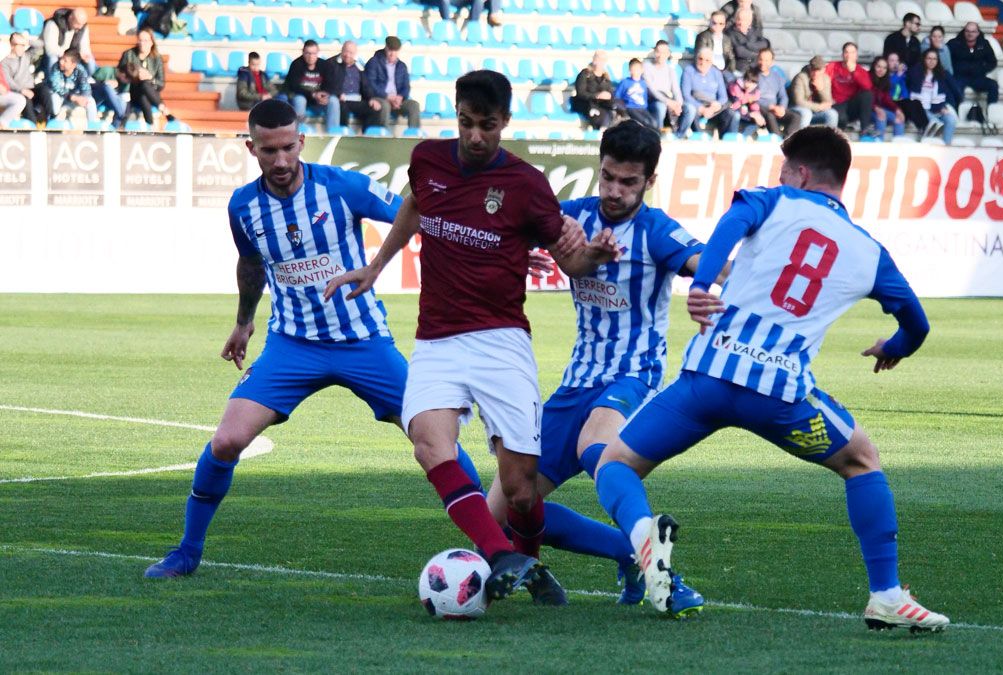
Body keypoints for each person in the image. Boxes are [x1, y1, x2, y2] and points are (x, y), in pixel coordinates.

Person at [591, 125, 951, 633]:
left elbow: (729, 224)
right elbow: (917, 323)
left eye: (784, 169)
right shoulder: (870, 252)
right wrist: (892, 348)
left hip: (707, 382)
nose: (779, 176)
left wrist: (704, 283)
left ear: (801, 173)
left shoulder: (771, 199)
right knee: (862, 461)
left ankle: (644, 533)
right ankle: (886, 594)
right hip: (780, 398)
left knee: (615, 465)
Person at [141, 99, 487, 585]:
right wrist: (244, 322)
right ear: (251, 149)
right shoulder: (243, 205)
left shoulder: (342, 187)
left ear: (301, 141)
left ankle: (489, 539)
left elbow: (418, 216)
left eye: (288, 148)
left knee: (435, 439)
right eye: (268, 151)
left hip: (363, 341)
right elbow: (252, 264)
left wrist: (484, 249)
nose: (280, 161)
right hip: (292, 346)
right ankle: (186, 551)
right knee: (227, 440)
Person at [323, 70, 621, 605]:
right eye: (466, 123)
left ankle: (527, 561)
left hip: (501, 340)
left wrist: (592, 256)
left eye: (487, 125)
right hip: (437, 340)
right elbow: (415, 203)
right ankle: (497, 550)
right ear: (455, 116)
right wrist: (376, 265)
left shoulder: (527, 185)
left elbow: (570, 259)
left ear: (505, 122)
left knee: (520, 488)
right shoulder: (428, 159)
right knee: (429, 444)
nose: (475, 136)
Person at [483, 120, 711, 616]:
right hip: (576, 381)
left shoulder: (656, 231)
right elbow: (506, 235)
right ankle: (629, 552)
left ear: (648, 181)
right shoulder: (572, 218)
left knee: (595, 444)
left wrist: (709, 286)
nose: (614, 190)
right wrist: (516, 255)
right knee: (501, 511)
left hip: (634, 375)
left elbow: (703, 259)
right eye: (607, 177)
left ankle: (661, 570)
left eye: (628, 182)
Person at [116, 28, 173, 127]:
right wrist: (135, 76)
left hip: (149, 94)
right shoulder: (128, 54)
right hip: (132, 91)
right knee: (143, 85)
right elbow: (120, 75)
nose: (142, 43)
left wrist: (150, 78)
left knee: (144, 89)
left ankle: (149, 124)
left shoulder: (157, 58)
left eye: (145, 41)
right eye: (140, 40)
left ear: (151, 42)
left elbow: (161, 84)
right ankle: (162, 109)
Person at [363, 37, 421, 131]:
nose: (392, 53)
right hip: (380, 97)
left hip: (397, 100)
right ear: (386, 48)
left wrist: (400, 97)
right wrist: (387, 96)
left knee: (414, 105)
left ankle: (414, 134)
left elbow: (406, 86)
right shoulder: (373, 63)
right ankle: (383, 135)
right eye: (390, 50)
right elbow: (370, 85)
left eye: (395, 51)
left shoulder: (401, 66)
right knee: (385, 106)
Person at [641, 40, 694, 137]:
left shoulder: (670, 69)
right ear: (654, 52)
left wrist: (678, 105)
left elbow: (676, 90)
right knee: (660, 107)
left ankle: (678, 136)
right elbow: (652, 91)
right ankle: (658, 136)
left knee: (690, 109)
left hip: (670, 100)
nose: (661, 55)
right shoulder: (647, 67)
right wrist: (668, 102)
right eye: (658, 51)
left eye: (664, 52)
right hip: (654, 100)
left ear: (668, 54)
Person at [947, 22, 998, 123]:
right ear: (964, 31)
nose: (970, 34)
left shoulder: (984, 44)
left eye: (973, 31)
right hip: (959, 76)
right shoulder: (954, 43)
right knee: (955, 89)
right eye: (968, 31)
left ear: (978, 32)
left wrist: (982, 69)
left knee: (993, 85)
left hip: (977, 77)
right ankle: (955, 115)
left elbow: (992, 62)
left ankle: (991, 113)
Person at [283, 40, 339, 128]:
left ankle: (333, 131)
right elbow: (294, 86)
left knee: (334, 101)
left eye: (313, 53)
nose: (311, 56)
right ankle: (299, 130)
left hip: (319, 98)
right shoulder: (296, 65)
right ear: (303, 52)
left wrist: (325, 94)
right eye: (308, 53)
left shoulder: (325, 65)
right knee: (299, 100)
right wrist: (313, 94)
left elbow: (332, 84)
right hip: (303, 96)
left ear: (317, 53)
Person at [907, 48, 958, 143]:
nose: (932, 61)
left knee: (951, 120)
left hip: (937, 108)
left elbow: (947, 94)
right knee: (935, 122)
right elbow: (913, 96)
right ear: (924, 59)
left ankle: (946, 147)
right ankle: (926, 145)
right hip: (921, 109)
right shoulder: (915, 72)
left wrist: (943, 107)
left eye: (934, 59)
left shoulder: (942, 75)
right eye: (929, 58)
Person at [681, 47, 735, 136]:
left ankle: (726, 141)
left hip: (713, 107)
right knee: (691, 111)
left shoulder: (716, 73)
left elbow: (723, 97)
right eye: (700, 59)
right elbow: (686, 95)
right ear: (696, 58)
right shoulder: (689, 70)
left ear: (711, 62)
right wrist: (701, 108)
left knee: (731, 114)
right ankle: (699, 139)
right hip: (696, 105)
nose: (703, 63)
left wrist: (715, 106)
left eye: (707, 60)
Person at [327, 40, 378, 128]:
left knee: (373, 109)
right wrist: (338, 93)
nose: (347, 55)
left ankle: (365, 137)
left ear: (355, 54)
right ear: (341, 50)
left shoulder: (359, 66)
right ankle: (342, 135)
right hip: (342, 99)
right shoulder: (331, 64)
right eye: (345, 51)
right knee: (342, 108)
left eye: (351, 52)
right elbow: (328, 83)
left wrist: (371, 98)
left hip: (357, 99)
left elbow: (366, 86)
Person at [826, 42, 873, 135]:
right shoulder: (833, 66)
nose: (849, 55)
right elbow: (823, 82)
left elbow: (867, 87)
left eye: (852, 53)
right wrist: (827, 98)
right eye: (846, 52)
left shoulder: (860, 70)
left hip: (851, 104)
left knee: (867, 94)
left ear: (856, 55)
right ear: (843, 54)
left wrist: (854, 72)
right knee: (841, 118)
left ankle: (865, 129)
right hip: (836, 103)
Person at [39, 49, 97, 124]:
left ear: (73, 64)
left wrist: (82, 98)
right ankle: (53, 123)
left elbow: (86, 88)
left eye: (65, 61)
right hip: (59, 96)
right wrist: (72, 97)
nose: (61, 62)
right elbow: (56, 88)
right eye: (62, 59)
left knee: (90, 101)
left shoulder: (80, 71)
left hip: (73, 98)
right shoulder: (55, 68)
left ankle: (92, 127)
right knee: (55, 100)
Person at [755, 47, 800, 138]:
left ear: (772, 61)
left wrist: (782, 107)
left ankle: (787, 140)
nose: (763, 63)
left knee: (796, 117)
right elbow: (752, 97)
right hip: (760, 106)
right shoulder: (752, 75)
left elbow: (783, 96)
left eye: (766, 60)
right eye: (761, 59)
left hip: (776, 108)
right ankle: (778, 141)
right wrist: (770, 107)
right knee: (770, 116)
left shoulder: (777, 77)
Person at [572, 50, 621, 130]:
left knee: (614, 109)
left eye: (602, 60)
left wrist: (608, 96)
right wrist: (597, 96)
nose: (600, 62)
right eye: (598, 59)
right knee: (598, 113)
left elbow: (610, 93)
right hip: (587, 103)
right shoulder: (585, 74)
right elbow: (580, 93)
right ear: (594, 59)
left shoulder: (605, 77)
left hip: (602, 105)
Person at [789, 55, 838, 129]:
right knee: (806, 113)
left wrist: (820, 90)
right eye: (813, 70)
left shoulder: (826, 79)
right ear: (809, 68)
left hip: (816, 112)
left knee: (832, 114)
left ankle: (829, 138)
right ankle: (802, 137)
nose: (816, 73)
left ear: (824, 69)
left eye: (819, 70)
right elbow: (798, 102)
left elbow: (828, 102)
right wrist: (819, 107)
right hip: (797, 109)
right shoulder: (800, 78)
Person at [1, 33, 38, 124]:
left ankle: (47, 121)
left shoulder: (26, 56)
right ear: (12, 46)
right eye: (20, 45)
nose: (22, 47)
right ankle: (33, 128)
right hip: (17, 90)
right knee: (22, 100)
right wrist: (21, 90)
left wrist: (26, 41)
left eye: (23, 45)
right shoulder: (4, 62)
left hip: (29, 86)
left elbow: (40, 45)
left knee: (45, 91)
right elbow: (9, 82)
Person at [613, 58, 656, 130]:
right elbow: (617, 96)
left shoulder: (644, 83)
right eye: (633, 69)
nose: (635, 71)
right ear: (630, 71)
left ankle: (657, 136)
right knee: (644, 122)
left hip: (642, 108)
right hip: (631, 108)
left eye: (637, 69)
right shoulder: (625, 82)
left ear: (642, 70)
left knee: (653, 122)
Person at [869, 56, 904, 140]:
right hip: (867, 110)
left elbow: (887, 99)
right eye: (879, 67)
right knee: (881, 116)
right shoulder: (867, 78)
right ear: (874, 66)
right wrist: (876, 108)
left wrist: (897, 110)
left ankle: (899, 147)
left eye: (884, 68)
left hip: (879, 109)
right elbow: (865, 99)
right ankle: (879, 143)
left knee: (899, 119)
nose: (881, 70)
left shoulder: (885, 81)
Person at [726, 7, 769, 75]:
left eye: (744, 20)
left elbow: (765, 43)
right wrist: (757, 54)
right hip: (739, 69)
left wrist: (748, 44)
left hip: (755, 68)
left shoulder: (755, 31)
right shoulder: (730, 33)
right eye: (739, 19)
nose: (741, 22)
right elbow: (740, 51)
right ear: (735, 19)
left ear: (750, 21)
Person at [727, 67, 765, 135]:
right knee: (736, 115)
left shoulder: (755, 92)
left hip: (745, 114)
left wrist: (757, 114)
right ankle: (733, 136)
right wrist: (746, 99)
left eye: (754, 83)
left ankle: (743, 137)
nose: (751, 85)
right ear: (744, 79)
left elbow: (755, 106)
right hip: (732, 111)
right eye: (748, 81)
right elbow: (733, 106)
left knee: (758, 120)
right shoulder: (735, 87)